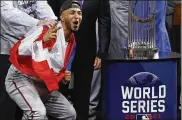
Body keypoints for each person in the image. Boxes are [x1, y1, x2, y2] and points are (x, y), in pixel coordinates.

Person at [5, 0, 82, 119]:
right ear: (62, 17)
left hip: (42, 83)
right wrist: (42, 41)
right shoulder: (46, 29)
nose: (77, 16)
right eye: (72, 13)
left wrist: (65, 76)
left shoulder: (72, 42)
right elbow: (20, 50)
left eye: (79, 13)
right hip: (21, 77)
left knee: (69, 114)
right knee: (38, 113)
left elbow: (58, 69)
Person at [48, 0, 111, 119]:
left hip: (87, 49)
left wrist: (102, 53)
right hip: (60, 48)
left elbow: (104, 20)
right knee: (59, 91)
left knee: (83, 93)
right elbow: (49, 15)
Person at [0, 1, 57, 120]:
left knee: (27, 97)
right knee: (7, 100)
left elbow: (42, 6)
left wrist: (52, 20)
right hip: (8, 48)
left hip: (28, 48)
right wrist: (37, 22)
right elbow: (7, 13)